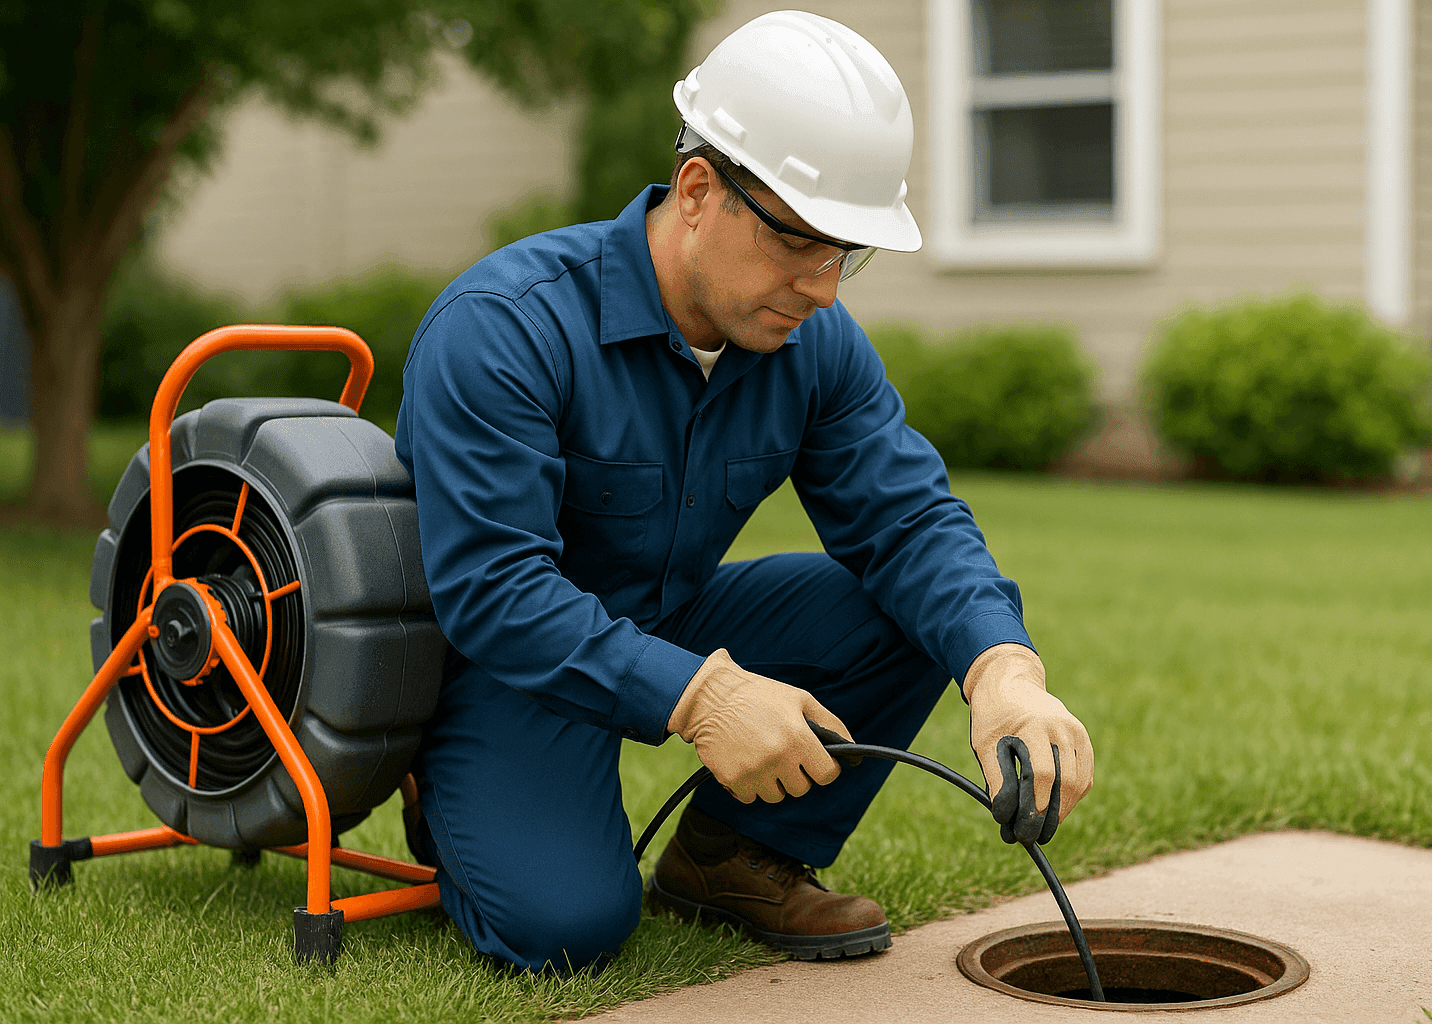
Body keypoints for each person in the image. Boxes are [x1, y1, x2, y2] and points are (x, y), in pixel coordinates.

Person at [393, 10, 1093, 973]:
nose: (824, 288)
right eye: (800, 243)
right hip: (509, 662)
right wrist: (697, 693)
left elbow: (907, 518)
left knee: (911, 613)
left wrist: (1003, 670)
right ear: (696, 192)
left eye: (847, 253)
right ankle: (448, 795)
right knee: (568, 930)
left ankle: (732, 859)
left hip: (670, 617)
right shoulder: (504, 329)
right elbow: (492, 590)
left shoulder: (812, 342)